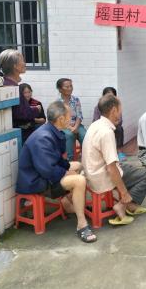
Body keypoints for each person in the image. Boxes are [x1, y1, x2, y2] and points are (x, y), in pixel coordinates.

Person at [16, 101, 96, 243]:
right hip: (36, 181)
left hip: (44, 175)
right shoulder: (43, 138)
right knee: (79, 180)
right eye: (69, 116)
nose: (71, 119)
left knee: (77, 165)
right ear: (61, 119)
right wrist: (67, 172)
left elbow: (56, 160)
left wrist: (68, 168)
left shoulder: (51, 131)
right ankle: (82, 224)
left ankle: (69, 202)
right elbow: (48, 170)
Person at [82, 94, 146, 225]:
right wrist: (124, 193)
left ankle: (131, 205)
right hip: (101, 177)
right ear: (114, 110)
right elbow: (111, 168)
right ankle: (123, 205)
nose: (121, 114)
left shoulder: (95, 125)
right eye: (120, 110)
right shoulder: (106, 132)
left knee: (129, 168)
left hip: (90, 173)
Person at [0, 49, 42, 131]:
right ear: (15, 66)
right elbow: (21, 113)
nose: (25, 64)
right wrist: (37, 109)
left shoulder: (6, 83)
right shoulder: (11, 87)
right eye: (22, 61)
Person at [56, 78, 87, 161]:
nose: (70, 88)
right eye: (67, 87)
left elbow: (79, 115)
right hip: (64, 126)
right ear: (60, 89)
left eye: (71, 86)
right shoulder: (58, 102)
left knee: (85, 135)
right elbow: (60, 119)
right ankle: (69, 161)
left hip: (77, 125)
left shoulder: (76, 99)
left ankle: (86, 158)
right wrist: (71, 128)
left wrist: (75, 127)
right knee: (69, 135)